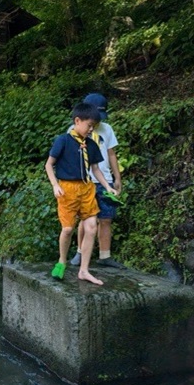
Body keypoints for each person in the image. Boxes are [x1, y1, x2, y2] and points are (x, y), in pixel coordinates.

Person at [45, 102, 119, 286]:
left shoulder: (92, 144)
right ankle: (62, 261)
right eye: (89, 125)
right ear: (77, 121)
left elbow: (95, 169)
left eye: (93, 126)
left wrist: (107, 186)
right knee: (68, 229)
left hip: (87, 188)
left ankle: (84, 270)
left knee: (92, 227)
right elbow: (48, 164)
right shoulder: (63, 140)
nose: (91, 129)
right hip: (67, 189)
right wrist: (55, 185)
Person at [70, 93, 126, 269]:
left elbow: (111, 153)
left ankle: (105, 255)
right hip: (84, 181)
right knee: (86, 219)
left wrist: (117, 178)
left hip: (105, 180)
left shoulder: (107, 129)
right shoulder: (74, 129)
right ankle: (80, 252)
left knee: (106, 218)